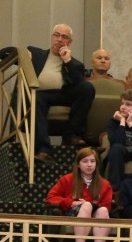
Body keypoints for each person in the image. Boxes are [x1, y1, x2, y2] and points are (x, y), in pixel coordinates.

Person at [14, 24, 96, 161]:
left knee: (88, 88)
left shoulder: (75, 64)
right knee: (37, 98)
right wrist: (20, 53)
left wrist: (68, 61)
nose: (59, 39)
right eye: (56, 35)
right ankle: (44, 149)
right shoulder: (35, 54)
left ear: (69, 42)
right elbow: (7, 53)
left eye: (64, 37)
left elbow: (79, 84)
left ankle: (71, 135)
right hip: (40, 94)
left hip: (62, 94)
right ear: (52, 37)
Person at [45, 147, 112, 242]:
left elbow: (106, 207)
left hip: (95, 216)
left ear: (96, 164)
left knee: (102, 211)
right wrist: (71, 202)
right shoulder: (67, 179)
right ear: (78, 164)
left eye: (92, 161)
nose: (89, 165)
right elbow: (50, 198)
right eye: (85, 161)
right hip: (72, 213)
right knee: (87, 206)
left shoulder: (105, 184)